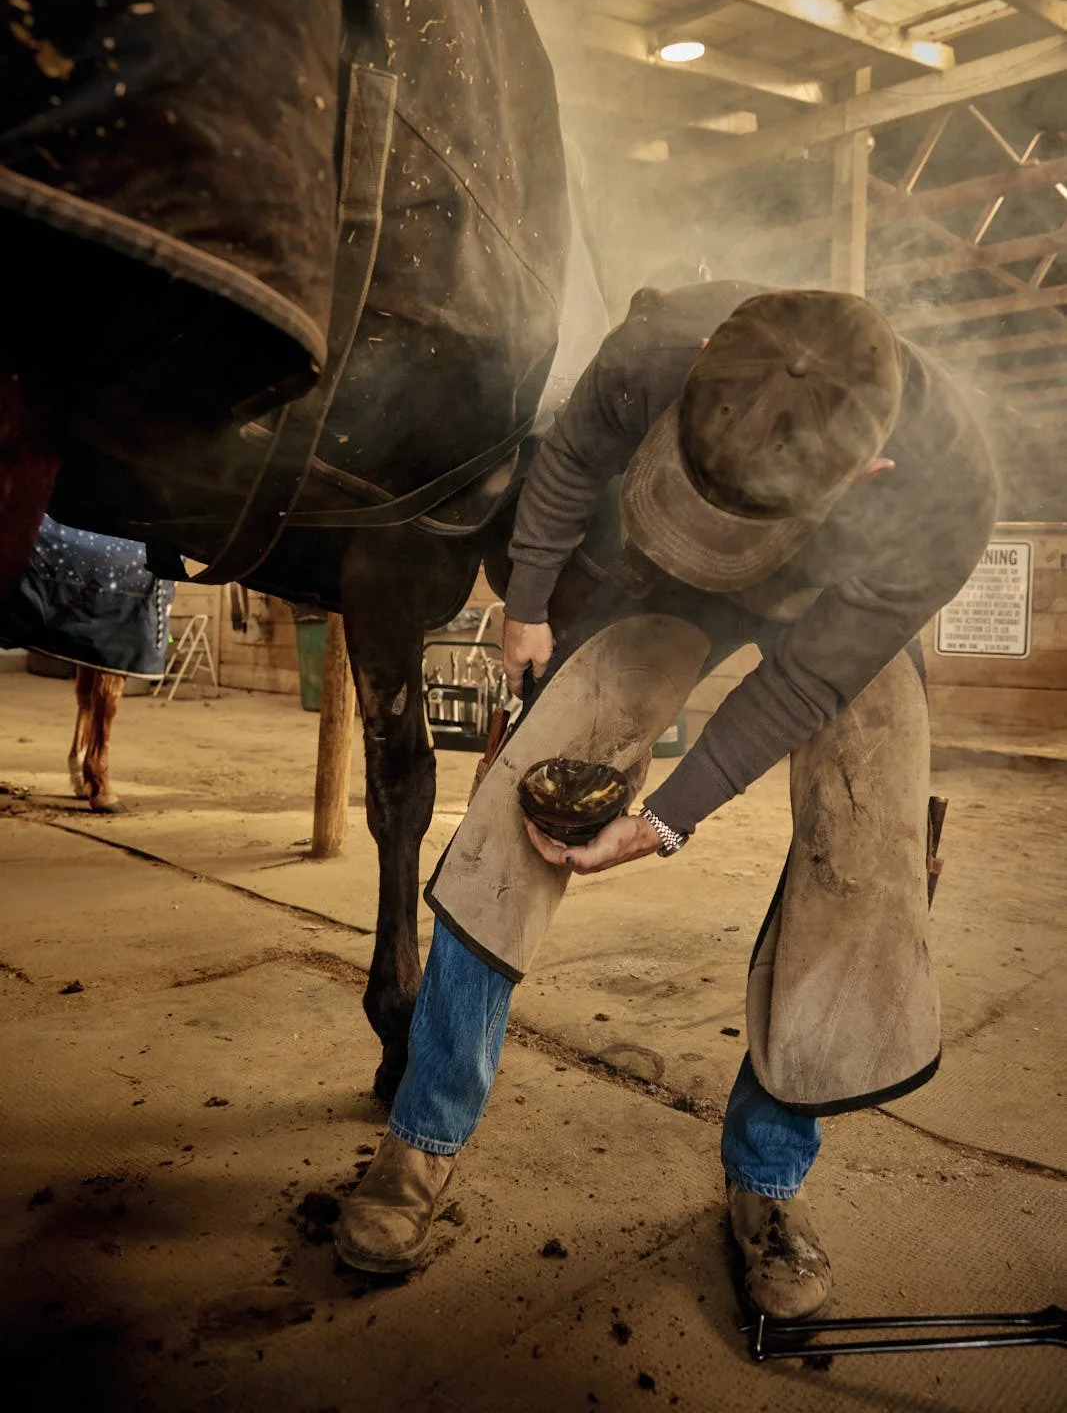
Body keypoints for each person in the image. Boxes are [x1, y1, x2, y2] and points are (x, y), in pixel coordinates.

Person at [334, 285, 998, 1319]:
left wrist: (666, 817)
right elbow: (563, 465)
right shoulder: (656, 340)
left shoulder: (946, 491)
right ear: (692, 369)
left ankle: (767, 1177)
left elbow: (799, 685)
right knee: (512, 814)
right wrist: (523, 605)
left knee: (864, 862)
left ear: (866, 472)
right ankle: (422, 1137)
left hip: (832, 622)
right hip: (662, 580)